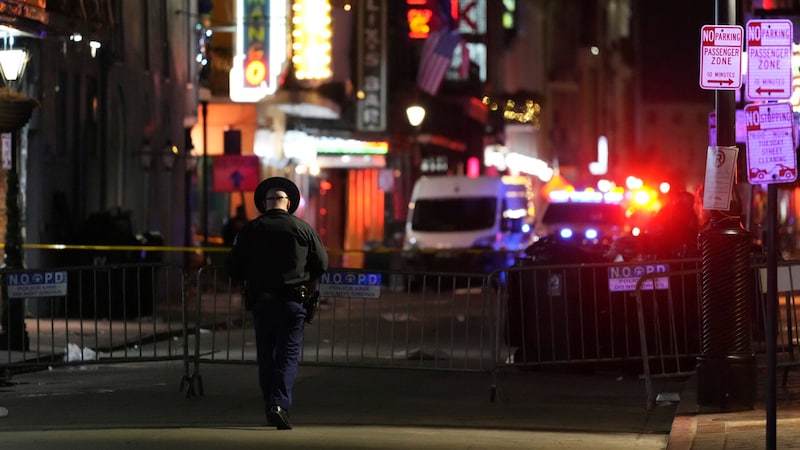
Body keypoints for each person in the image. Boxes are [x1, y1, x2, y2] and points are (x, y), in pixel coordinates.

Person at [225, 177, 328, 430]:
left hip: (261, 302)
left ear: (265, 203)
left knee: (266, 357)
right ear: (289, 203)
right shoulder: (303, 229)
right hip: (294, 302)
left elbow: (232, 266)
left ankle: (270, 403)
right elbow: (322, 263)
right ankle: (279, 405)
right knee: (287, 356)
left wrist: (245, 278)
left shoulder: (250, 230)